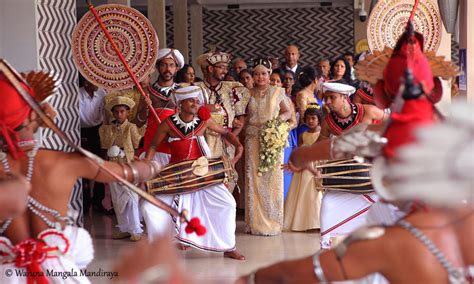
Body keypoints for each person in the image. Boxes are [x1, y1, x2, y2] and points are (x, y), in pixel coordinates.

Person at [0, 64, 160, 283]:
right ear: (30, 115)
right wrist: (149, 167)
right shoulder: (63, 162)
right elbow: (126, 173)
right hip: (57, 272)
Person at [142, 85, 245, 260]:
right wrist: (146, 164)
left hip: (202, 172)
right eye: (191, 101)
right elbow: (152, 146)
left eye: (197, 101)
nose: (195, 104)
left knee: (228, 203)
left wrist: (238, 145)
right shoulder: (167, 124)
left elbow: (224, 133)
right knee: (149, 207)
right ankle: (160, 247)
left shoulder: (204, 121)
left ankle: (228, 246)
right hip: (177, 175)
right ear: (181, 104)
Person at [317, 82, 386, 248]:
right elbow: (320, 144)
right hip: (347, 175)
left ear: (344, 98)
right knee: (328, 203)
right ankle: (327, 243)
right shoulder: (328, 121)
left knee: (384, 207)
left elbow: (394, 123)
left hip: (372, 175)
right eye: (326, 98)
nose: (327, 102)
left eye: (332, 98)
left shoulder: (368, 111)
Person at [245, 58, 292, 236]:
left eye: (263, 73)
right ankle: (255, 223)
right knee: (254, 178)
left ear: (269, 74)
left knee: (272, 179)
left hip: (272, 139)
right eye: (256, 74)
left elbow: (287, 112)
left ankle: (272, 222)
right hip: (252, 139)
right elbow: (241, 113)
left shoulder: (277, 92)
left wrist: (276, 123)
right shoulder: (246, 93)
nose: (260, 77)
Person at [195, 51, 250, 192]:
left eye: (226, 67)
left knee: (228, 181)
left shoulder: (231, 88)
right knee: (205, 182)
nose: (225, 71)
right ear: (210, 68)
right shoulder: (197, 89)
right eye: (221, 67)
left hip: (226, 142)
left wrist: (233, 136)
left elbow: (241, 119)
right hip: (204, 143)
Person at [99, 96, 146, 241]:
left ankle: (135, 229)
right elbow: (105, 145)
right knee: (116, 197)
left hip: (128, 165)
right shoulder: (108, 129)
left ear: (127, 113)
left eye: (122, 112)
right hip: (113, 166)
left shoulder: (131, 127)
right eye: (116, 112)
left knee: (131, 197)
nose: (119, 115)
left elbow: (137, 144)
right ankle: (124, 227)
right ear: (113, 114)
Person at [283, 107, 323, 232]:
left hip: (316, 164)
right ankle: (303, 222)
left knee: (315, 193)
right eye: (308, 119)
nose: (310, 121)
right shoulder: (303, 135)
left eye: (313, 118)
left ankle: (316, 221)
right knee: (303, 192)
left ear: (319, 119)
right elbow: (299, 151)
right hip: (304, 166)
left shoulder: (322, 134)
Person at [79, 75, 109, 214]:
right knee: (84, 168)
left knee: (100, 167)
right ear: (85, 83)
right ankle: (84, 203)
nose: (97, 83)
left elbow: (106, 111)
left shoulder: (102, 92)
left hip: (98, 131)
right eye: (93, 80)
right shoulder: (77, 94)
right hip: (81, 132)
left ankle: (98, 202)